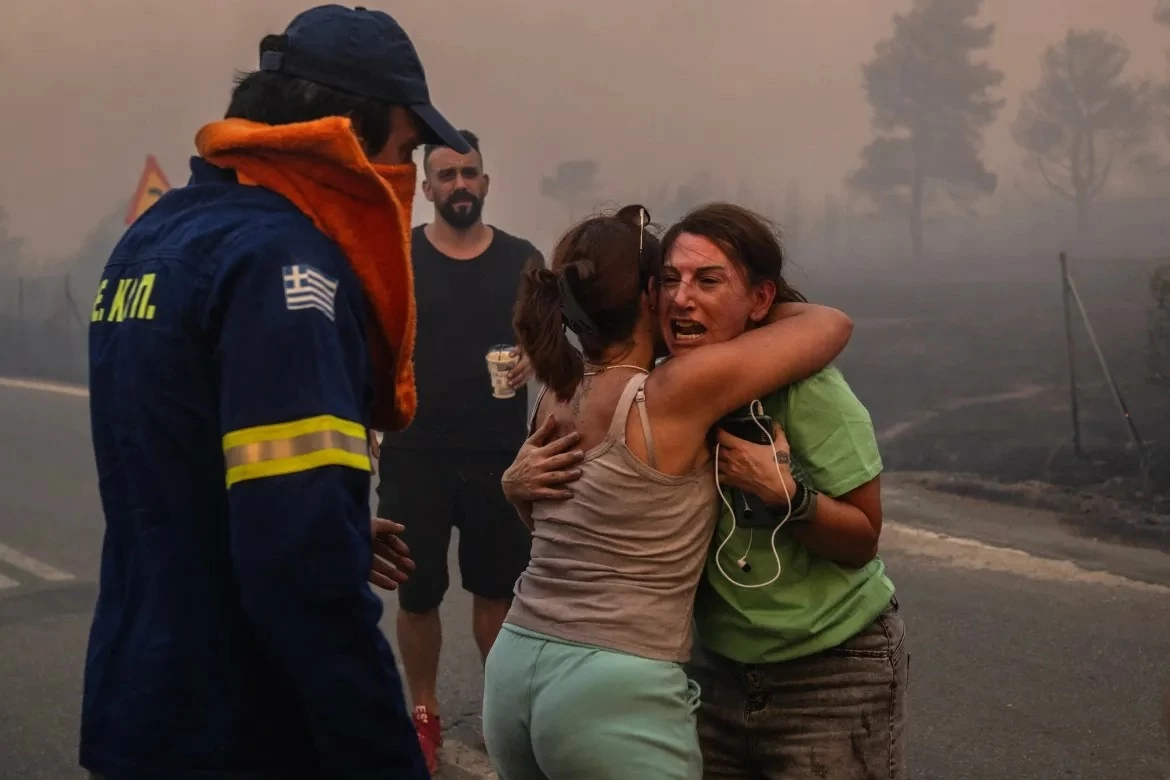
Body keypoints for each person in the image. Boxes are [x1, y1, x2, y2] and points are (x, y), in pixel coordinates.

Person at [82, 6, 468, 779]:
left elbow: (184, 473)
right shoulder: (285, 266)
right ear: (343, 139)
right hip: (241, 724)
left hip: (139, 697)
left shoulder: (153, 239)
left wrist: (329, 516)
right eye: (405, 151)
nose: (409, 181)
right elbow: (303, 576)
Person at [503, 203, 906, 780]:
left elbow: (864, 540)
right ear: (647, 297)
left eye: (708, 281)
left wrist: (790, 498)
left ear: (761, 299)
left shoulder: (810, 390)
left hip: (827, 669)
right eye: (669, 280)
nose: (681, 298)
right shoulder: (663, 384)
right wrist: (520, 489)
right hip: (714, 669)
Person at [374, 128, 541, 773]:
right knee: (416, 593)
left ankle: (500, 714)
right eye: (447, 175)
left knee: (496, 592)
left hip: (499, 456)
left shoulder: (522, 260)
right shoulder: (400, 255)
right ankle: (424, 711)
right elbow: (373, 337)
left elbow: (551, 338)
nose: (460, 184)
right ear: (427, 187)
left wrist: (534, 356)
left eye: (469, 173)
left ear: (486, 182)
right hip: (413, 449)